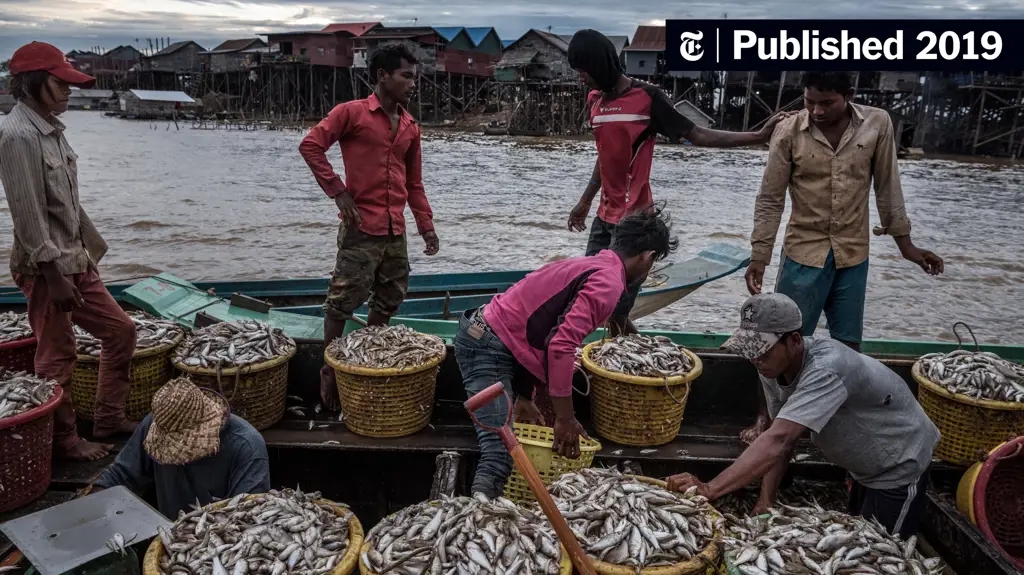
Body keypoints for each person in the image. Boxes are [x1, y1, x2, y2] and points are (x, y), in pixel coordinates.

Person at [740, 71, 944, 443]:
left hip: (852, 255)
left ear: (848, 96)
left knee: (847, 347)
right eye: (809, 101)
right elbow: (770, 198)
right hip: (803, 252)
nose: (816, 110)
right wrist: (760, 255)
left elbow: (888, 187)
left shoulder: (877, 123)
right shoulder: (788, 132)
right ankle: (765, 419)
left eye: (827, 103)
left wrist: (907, 247)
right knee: (776, 343)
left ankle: (839, 424)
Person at [564, 29, 792, 336]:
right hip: (604, 219)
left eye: (583, 70)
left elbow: (697, 134)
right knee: (590, 293)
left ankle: (630, 369)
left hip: (635, 223)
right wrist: (585, 200)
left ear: (600, 64)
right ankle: (635, 355)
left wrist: (756, 136)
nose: (581, 77)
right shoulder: (595, 101)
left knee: (616, 308)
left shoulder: (647, 98)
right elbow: (606, 156)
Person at [666, 293, 940, 538]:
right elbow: (779, 439)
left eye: (761, 351)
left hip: (899, 462)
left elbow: (780, 439)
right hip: (862, 468)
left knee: (883, 547)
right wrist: (765, 500)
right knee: (861, 535)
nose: (755, 360)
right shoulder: (772, 367)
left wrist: (711, 489)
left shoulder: (827, 367)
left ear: (794, 340)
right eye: (750, 351)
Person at [456, 206, 678, 498]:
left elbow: (535, 327)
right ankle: (475, 517)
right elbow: (560, 345)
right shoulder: (608, 283)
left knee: (503, 445)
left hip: (492, 336)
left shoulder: (591, 265)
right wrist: (565, 419)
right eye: (653, 262)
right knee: (499, 452)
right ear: (647, 257)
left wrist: (524, 394)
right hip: (486, 344)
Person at [0, 41, 138, 461]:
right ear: (34, 84)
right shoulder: (17, 135)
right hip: (48, 268)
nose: (69, 92)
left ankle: (108, 418)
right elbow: (27, 213)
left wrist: (87, 252)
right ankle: (64, 441)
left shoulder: (50, 130)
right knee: (57, 355)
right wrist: (53, 275)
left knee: (121, 332)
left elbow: (66, 206)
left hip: (73, 258)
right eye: (61, 84)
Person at [299, 43, 439, 410]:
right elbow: (311, 145)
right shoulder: (352, 113)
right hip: (361, 225)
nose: (412, 84)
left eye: (414, 77)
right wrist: (338, 192)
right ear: (382, 76)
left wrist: (426, 226)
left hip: (394, 229)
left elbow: (414, 184)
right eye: (405, 76)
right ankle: (329, 368)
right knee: (342, 299)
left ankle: (366, 351)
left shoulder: (410, 126)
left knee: (391, 295)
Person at [92, 377, 271, 519]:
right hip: (169, 532)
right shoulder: (159, 422)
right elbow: (121, 475)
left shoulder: (247, 447)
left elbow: (247, 516)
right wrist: (87, 508)